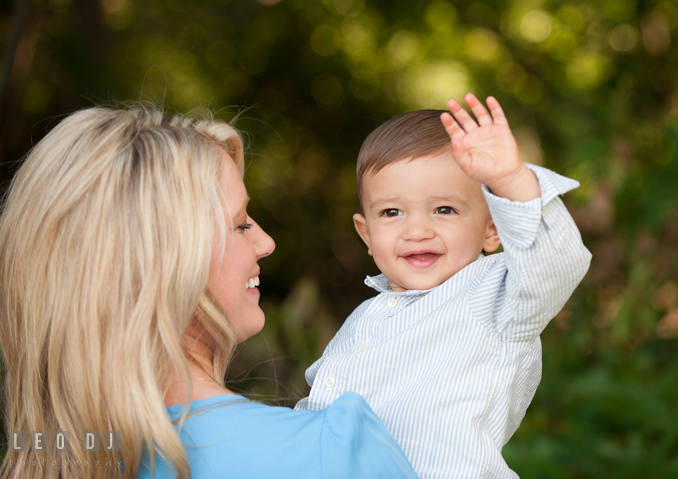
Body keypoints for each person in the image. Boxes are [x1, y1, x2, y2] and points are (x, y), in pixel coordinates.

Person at [0, 106, 418, 479]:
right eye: (240, 224)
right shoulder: (330, 454)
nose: (266, 241)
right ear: (164, 268)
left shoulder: (51, 457)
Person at [295, 94, 593, 478]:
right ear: (366, 234)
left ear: (492, 229)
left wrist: (510, 180)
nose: (417, 230)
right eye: (392, 212)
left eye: (444, 209)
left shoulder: (497, 294)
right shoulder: (363, 320)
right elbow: (321, 411)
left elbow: (556, 264)